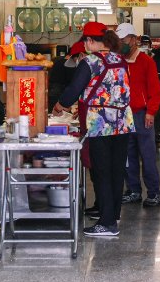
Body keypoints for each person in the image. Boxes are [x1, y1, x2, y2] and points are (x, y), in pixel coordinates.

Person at [53, 22, 134, 237]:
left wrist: (60, 104)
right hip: (123, 123)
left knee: (102, 171)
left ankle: (106, 224)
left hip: (100, 125)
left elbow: (74, 89)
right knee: (117, 171)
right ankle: (113, 215)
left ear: (89, 41)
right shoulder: (121, 60)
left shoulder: (90, 61)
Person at [116, 23, 160, 208]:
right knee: (128, 156)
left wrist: (151, 112)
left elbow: (156, 91)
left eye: (124, 40)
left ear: (134, 40)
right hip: (123, 115)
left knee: (148, 156)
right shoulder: (118, 61)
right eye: (118, 41)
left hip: (142, 115)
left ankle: (154, 193)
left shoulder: (146, 61)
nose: (121, 44)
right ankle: (133, 191)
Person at [48, 41, 85, 110]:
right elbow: (74, 86)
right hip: (58, 96)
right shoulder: (66, 65)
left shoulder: (59, 61)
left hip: (54, 95)